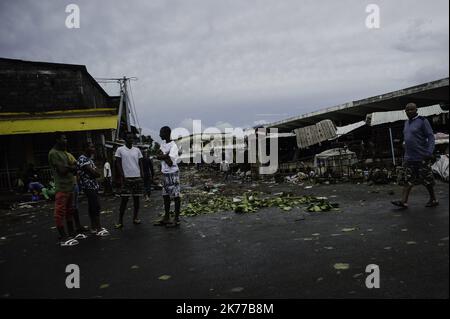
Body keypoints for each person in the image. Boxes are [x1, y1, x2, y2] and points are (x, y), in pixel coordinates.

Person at [392, 103, 438, 208]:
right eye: (407, 110)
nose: (409, 112)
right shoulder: (406, 123)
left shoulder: (422, 121)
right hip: (409, 157)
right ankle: (403, 201)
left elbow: (431, 137)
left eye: (412, 109)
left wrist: (429, 152)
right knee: (407, 179)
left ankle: (434, 199)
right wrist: (404, 143)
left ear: (416, 110)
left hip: (421, 156)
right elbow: (408, 137)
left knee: (427, 180)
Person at [48, 132, 86, 247]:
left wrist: (69, 167)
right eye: (64, 139)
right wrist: (71, 167)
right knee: (60, 212)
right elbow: (62, 170)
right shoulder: (54, 153)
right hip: (62, 187)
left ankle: (71, 233)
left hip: (70, 186)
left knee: (70, 211)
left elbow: (75, 167)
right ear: (57, 140)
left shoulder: (64, 153)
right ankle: (63, 237)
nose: (66, 141)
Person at [78, 142, 110, 237]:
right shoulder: (82, 159)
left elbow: (96, 171)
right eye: (91, 147)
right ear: (85, 148)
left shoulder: (89, 159)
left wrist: (96, 173)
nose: (93, 148)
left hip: (93, 186)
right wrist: (96, 173)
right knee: (95, 206)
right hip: (88, 186)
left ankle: (93, 227)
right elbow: (94, 172)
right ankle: (98, 228)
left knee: (93, 207)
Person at [114, 133, 144, 228]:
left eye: (132, 138)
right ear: (125, 139)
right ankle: (120, 220)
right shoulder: (120, 150)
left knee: (136, 199)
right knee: (124, 200)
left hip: (137, 177)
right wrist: (122, 175)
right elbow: (117, 163)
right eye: (129, 138)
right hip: (126, 178)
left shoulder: (137, 150)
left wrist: (142, 175)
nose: (131, 139)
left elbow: (140, 163)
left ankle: (135, 218)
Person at [154, 126, 181, 228]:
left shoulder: (174, 145)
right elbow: (157, 155)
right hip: (165, 173)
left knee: (176, 196)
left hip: (173, 173)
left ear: (166, 133)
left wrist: (163, 156)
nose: (160, 135)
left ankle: (176, 219)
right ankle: (166, 217)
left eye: (161, 132)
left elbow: (170, 163)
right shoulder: (163, 144)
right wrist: (166, 155)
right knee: (165, 196)